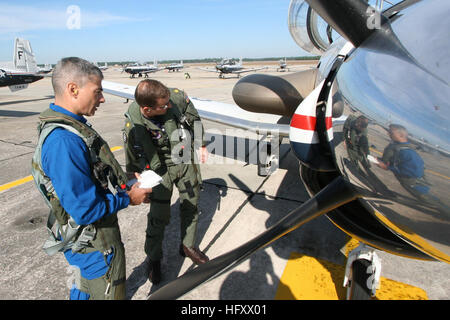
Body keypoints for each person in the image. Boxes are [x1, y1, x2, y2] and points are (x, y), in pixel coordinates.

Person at [31, 57, 152, 300]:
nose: (103, 98)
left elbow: (88, 173)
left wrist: (124, 178)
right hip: (95, 244)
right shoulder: (64, 141)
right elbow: (85, 210)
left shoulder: (69, 127)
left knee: (84, 289)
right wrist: (130, 198)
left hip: (85, 243)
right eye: (97, 92)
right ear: (73, 89)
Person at [122, 79, 209, 284]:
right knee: (158, 217)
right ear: (147, 109)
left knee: (191, 203)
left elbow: (193, 116)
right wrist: (134, 178)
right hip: (158, 169)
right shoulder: (134, 123)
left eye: (168, 102)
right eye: (163, 106)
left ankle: (188, 246)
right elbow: (131, 155)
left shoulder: (173, 96)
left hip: (184, 158)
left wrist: (201, 142)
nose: (169, 106)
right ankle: (153, 259)